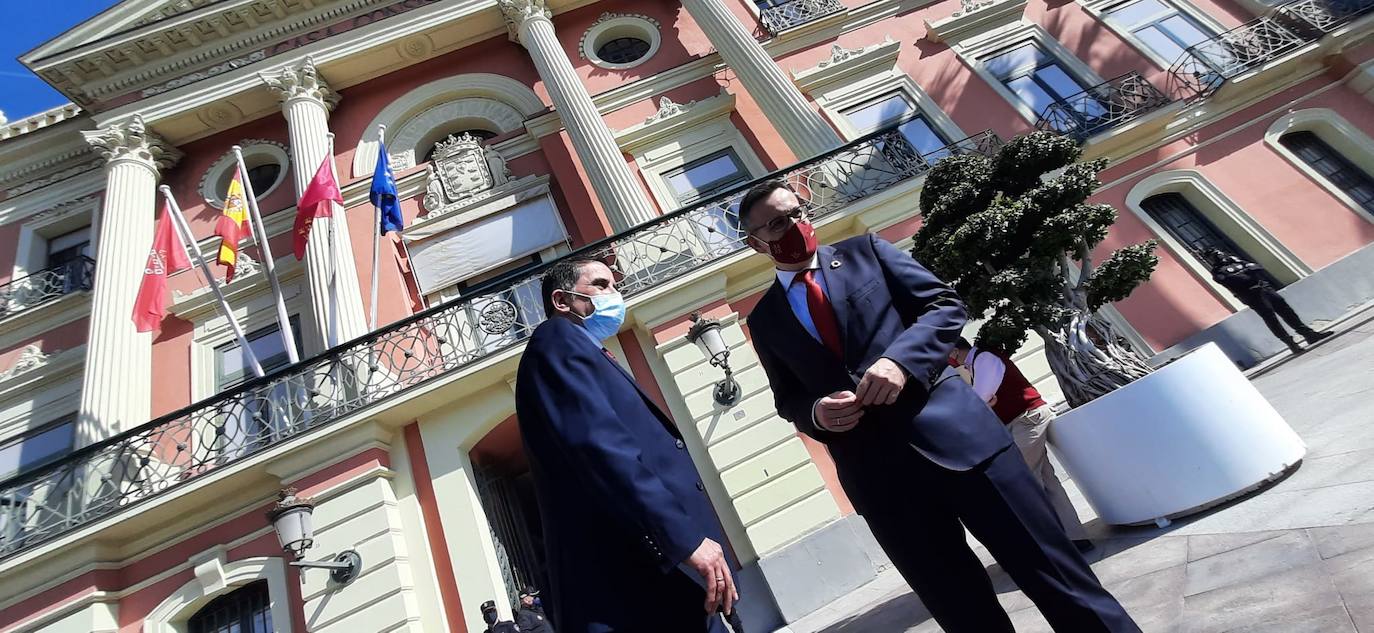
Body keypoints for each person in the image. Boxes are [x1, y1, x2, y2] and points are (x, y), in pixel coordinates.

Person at [739, 180, 1139, 633]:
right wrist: (817, 413)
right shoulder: (764, 319)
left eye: (797, 212)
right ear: (757, 243)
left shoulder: (867, 252)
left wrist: (899, 361)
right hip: (880, 479)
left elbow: (944, 307)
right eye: (777, 223)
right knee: (962, 610)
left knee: (1055, 574)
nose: (794, 225)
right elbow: (787, 398)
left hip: (964, 442)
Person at [515, 258, 738, 632]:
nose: (614, 294)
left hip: (659, 569)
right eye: (601, 285)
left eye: (615, 285)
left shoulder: (582, 349)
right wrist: (684, 540)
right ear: (561, 300)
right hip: (637, 576)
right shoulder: (556, 344)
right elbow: (605, 450)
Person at [949, 337, 1093, 552]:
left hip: (1027, 419)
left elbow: (980, 399)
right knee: (1046, 480)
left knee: (1026, 482)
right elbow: (983, 400)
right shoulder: (975, 363)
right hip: (1022, 422)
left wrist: (982, 401)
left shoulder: (984, 358)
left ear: (952, 351)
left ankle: (1052, 544)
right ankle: (1075, 538)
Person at [1205, 248, 1332, 353]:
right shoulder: (1217, 273)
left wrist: (1245, 269)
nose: (1220, 255)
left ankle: (1309, 335)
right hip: (1252, 295)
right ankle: (1291, 343)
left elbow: (1258, 268)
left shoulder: (1236, 261)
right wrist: (1247, 271)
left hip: (1266, 289)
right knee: (1271, 319)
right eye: (1215, 255)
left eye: (1219, 253)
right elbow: (1238, 280)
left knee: (1287, 312)